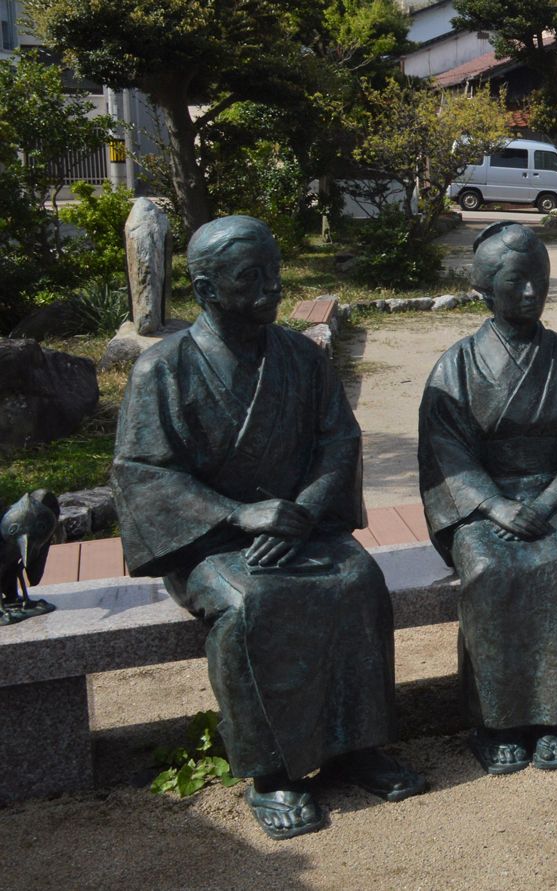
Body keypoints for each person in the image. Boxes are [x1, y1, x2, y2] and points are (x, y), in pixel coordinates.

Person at [112, 215, 425, 840]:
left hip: (302, 523)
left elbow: (339, 441)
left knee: (358, 581)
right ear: (206, 290)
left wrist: (303, 510)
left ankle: (356, 745)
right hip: (210, 540)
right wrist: (238, 513)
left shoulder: (301, 357)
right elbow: (143, 472)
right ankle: (271, 771)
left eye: (274, 272)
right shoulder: (163, 369)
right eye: (251, 277)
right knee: (251, 605)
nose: (273, 287)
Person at [419, 221, 557, 774]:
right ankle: (497, 722)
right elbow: (446, 454)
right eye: (516, 282)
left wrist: (550, 500)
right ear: (485, 290)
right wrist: (495, 505)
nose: (532, 292)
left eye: (540, 279)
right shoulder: (457, 365)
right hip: (483, 502)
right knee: (489, 569)